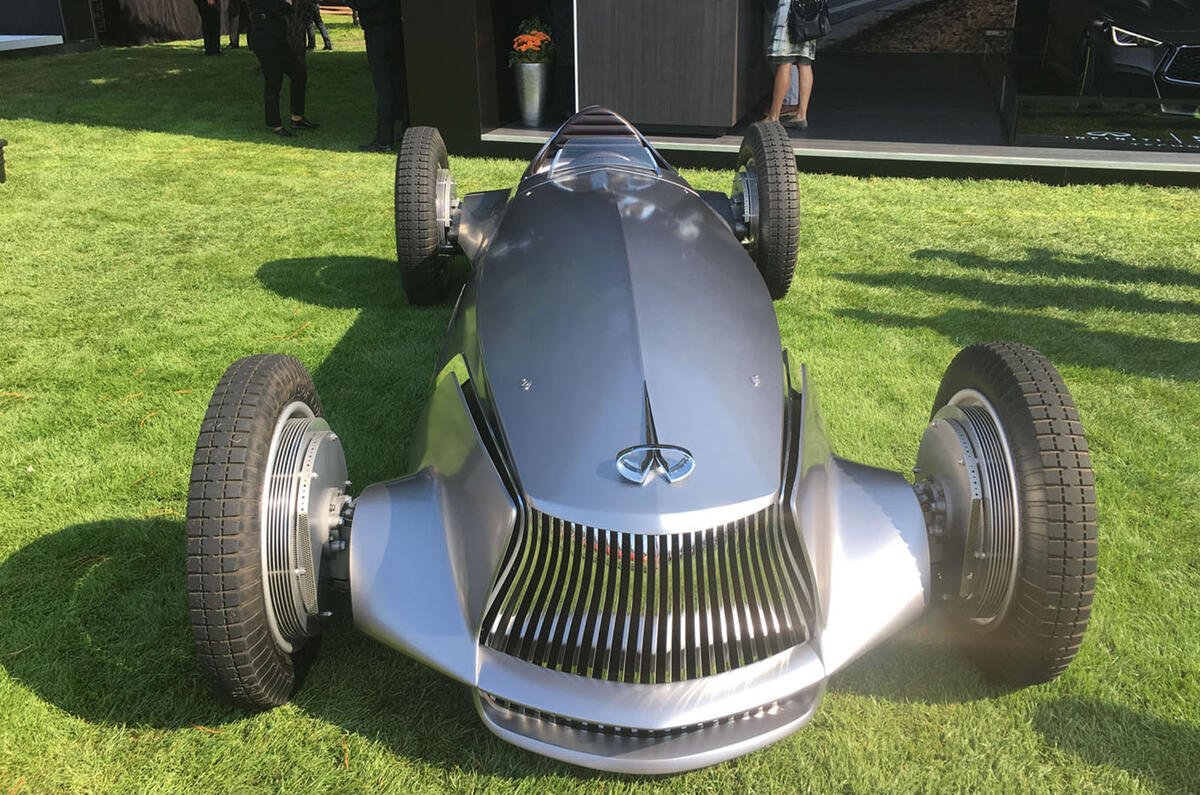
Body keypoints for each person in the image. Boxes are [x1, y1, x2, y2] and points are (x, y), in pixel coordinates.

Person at [249, 0, 319, 138]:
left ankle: (297, 118)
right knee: (273, 81)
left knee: (299, 74)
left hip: (278, 38)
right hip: (265, 39)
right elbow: (280, 8)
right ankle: (276, 125)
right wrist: (287, 3)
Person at [352, 0, 407, 153]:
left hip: (377, 28)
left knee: (384, 85)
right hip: (395, 25)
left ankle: (384, 140)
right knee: (399, 81)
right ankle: (405, 128)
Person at [764, 0, 816, 129]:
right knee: (805, 63)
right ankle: (801, 114)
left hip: (789, 9)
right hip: (810, 11)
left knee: (784, 63)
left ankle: (773, 116)